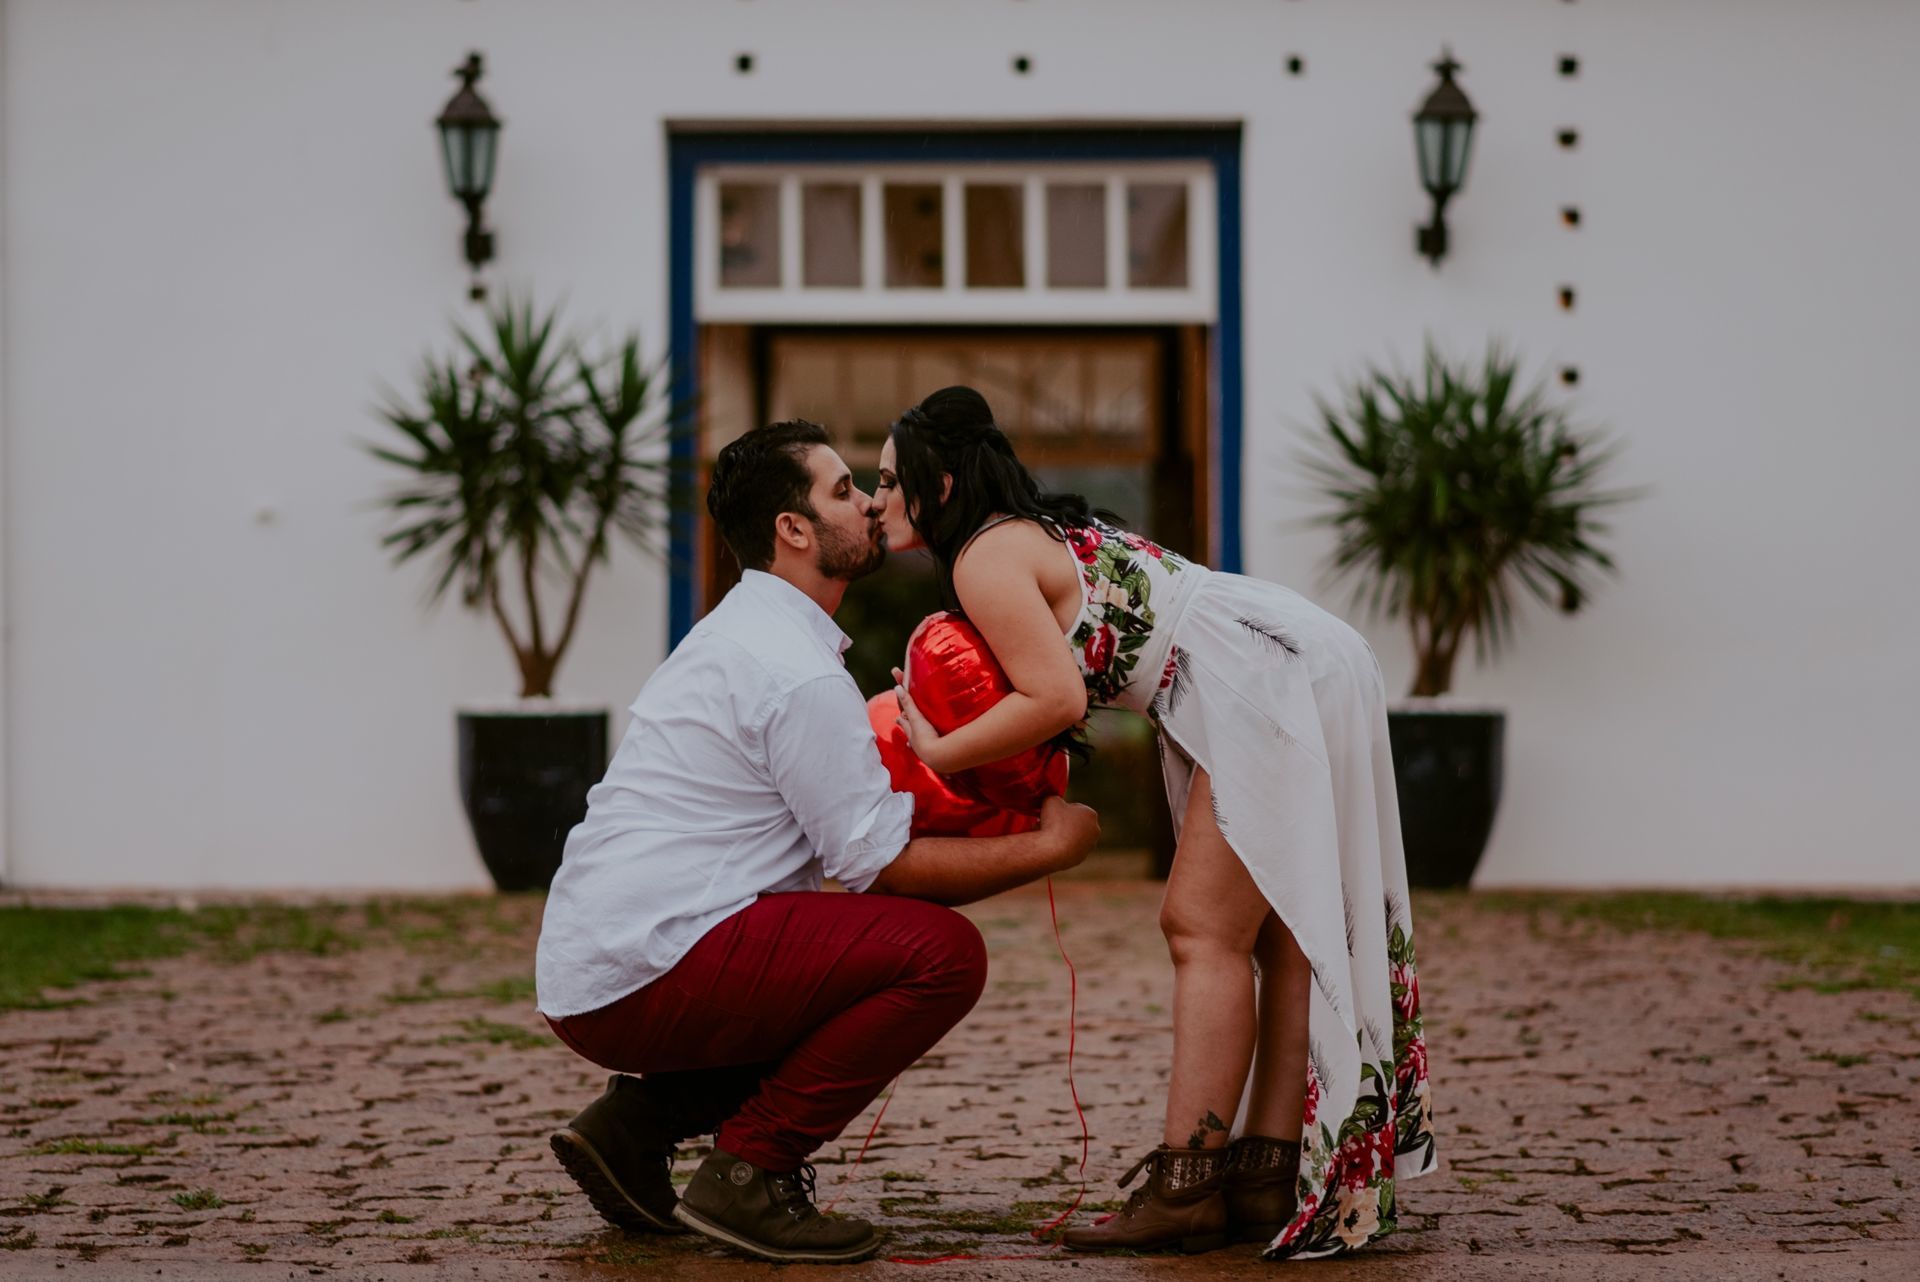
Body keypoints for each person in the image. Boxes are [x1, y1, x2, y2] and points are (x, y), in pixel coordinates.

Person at [876, 387, 1437, 1259]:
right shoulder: (1026, 533)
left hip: (1260, 676)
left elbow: (1055, 697)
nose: (875, 502)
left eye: (886, 481)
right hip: (1293, 653)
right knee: (1285, 933)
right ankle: (1264, 1170)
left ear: (938, 486)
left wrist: (936, 752)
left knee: (1200, 928)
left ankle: (1187, 1186)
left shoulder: (981, 560)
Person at [534, 419, 1102, 1265]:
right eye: (844, 490)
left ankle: (633, 1129)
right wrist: (1052, 849)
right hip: (644, 967)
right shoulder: (792, 671)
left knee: (837, 957)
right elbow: (885, 869)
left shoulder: (746, 636)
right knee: (938, 955)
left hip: (604, 964)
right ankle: (749, 1175)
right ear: (792, 531)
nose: (873, 504)